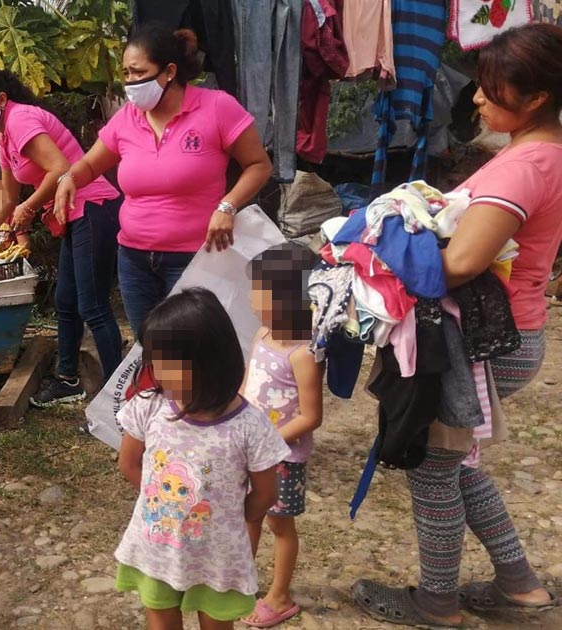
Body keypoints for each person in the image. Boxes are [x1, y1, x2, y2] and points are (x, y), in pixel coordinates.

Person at [352, 24, 562, 628]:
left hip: (479, 343)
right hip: (501, 336)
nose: (475, 98)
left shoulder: (526, 168)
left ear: (538, 97)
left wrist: (384, 241)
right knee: (455, 463)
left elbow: (461, 262)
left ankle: (437, 602)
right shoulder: (535, 154)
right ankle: (521, 587)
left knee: (431, 466)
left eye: (492, 89)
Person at [56, 25, 272, 337]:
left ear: (168, 72)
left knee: (194, 351)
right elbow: (90, 164)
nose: (130, 82)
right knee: (150, 350)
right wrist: (69, 178)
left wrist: (227, 206)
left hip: (195, 258)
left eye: (137, 72)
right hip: (133, 260)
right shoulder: (127, 118)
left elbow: (258, 165)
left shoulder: (216, 107)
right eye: (125, 73)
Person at [114, 288, 290, 630]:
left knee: (217, 623)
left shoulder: (250, 425)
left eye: (168, 364)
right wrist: (165, 504)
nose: (157, 373)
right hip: (157, 545)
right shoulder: (149, 405)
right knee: (161, 618)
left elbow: (266, 494)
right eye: (154, 362)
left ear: (210, 360)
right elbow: (129, 463)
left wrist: (224, 521)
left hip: (218, 557)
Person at [0, 67, 124, 407]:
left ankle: (120, 396)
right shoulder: (4, 138)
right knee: (66, 300)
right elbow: (8, 199)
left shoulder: (21, 120)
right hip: (72, 214)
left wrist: (30, 207)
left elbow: (60, 168)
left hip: (92, 205)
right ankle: (68, 381)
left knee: (92, 305)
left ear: (1, 99)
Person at [239, 243, 325, 629]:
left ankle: (280, 596)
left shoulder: (303, 353)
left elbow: (311, 415)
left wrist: (270, 441)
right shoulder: (262, 334)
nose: (254, 302)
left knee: (279, 525)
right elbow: (246, 387)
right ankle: (243, 579)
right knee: (248, 516)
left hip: (282, 459)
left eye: (260, 294)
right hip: (250, 450)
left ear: (291, 299)